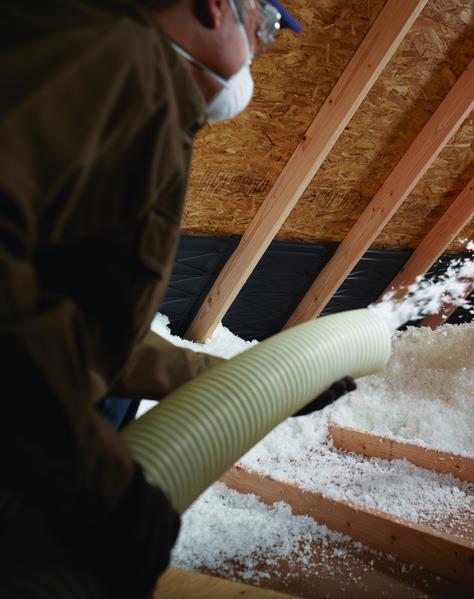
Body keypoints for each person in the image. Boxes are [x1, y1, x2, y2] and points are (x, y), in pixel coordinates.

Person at [0, 1, 327, 597]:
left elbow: (95, 332)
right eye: (265, 28)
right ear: (214, 7)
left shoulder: (138, 84)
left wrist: (243, 381)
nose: (260, 53)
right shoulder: (118, 61)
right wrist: (103, 491)